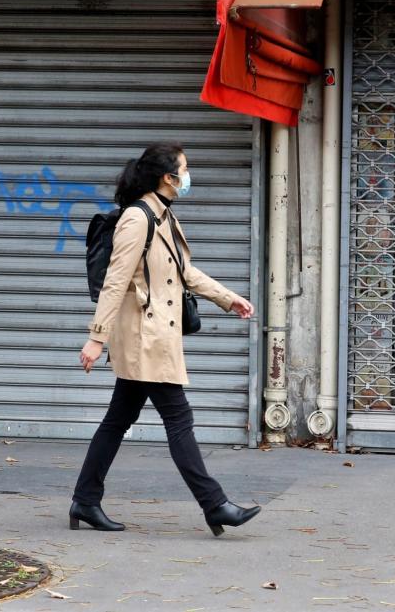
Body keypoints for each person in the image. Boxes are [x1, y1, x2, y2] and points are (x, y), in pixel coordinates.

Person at [70, 143, 260, 537]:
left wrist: (229, 299)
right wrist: (96, 338)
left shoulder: (164, 217)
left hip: (154, 334)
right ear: (167, 177)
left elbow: (186, 273)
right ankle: (215, 505)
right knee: (178, 418)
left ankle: (86, 500)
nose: (188, 177)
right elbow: (115, 282)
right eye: (184, 170)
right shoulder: (137, 219)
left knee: (117, 419)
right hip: (146, 336)